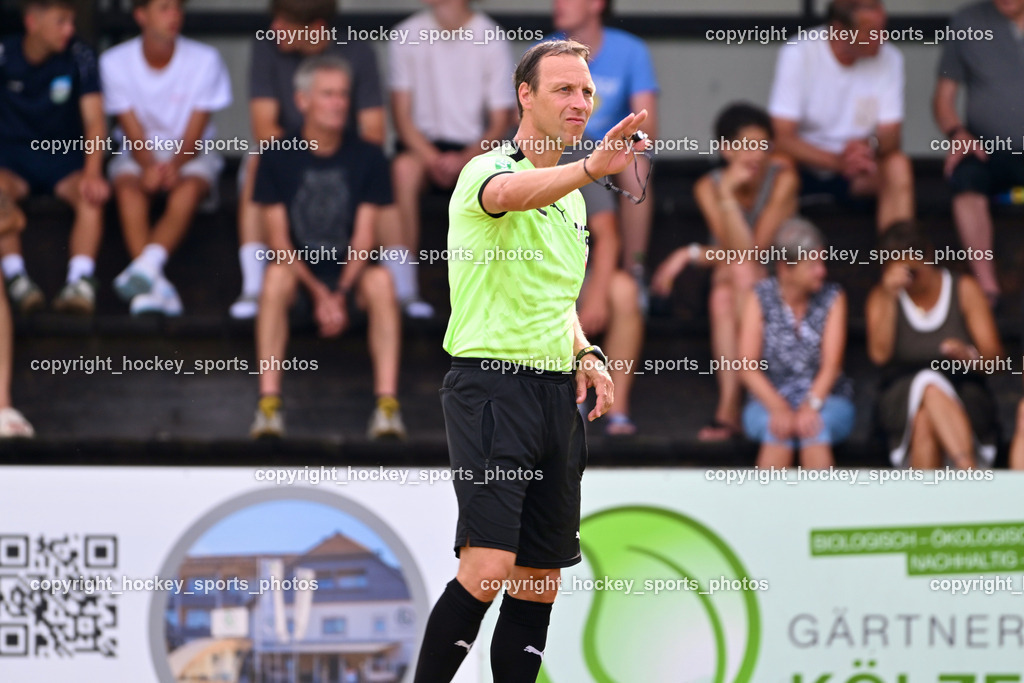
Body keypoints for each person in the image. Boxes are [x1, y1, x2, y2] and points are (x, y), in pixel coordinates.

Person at [413, 40, 649, 683]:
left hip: (554, 396)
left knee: (540, 578)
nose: (580, 102)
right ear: (526, 95)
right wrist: (592, 169)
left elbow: (557, 300)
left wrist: (587, 352)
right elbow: (510, 195)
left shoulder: (573, 196)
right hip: (491, 387)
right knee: (488, 567)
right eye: (564, 90)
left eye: (587, 92)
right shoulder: (487, 169)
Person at [249, 56, 405, 441]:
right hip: (300, 279)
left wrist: (339, 293)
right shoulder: (275, 156)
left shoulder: (369, 155)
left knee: (382, 282)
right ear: (302, 101)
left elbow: (366, 239)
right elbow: (279, 242)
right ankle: (269, 406)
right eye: (328, 94)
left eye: (343, 95)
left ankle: (387, 408)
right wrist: (319, 294)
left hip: (351, 276)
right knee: (274, 278)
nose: (339, 103)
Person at [231, 0, 386, 319]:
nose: (275, 29)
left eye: (285, 23)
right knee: (258, 161)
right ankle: (252, 286)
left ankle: (404, 288)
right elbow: (264, 130)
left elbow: (374, 132)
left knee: (389, 168)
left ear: (316, 29)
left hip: (348, 159)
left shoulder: (357, 50)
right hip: (286, 158)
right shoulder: (267, 45)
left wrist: (336, 156)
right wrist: (306, 158)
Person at [652, 103, 798, 441]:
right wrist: (726, 193)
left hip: (780, 278)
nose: (757, 154)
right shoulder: (708, 186)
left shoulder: (783, 179)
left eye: (764, 145)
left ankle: (732, 407)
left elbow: (754, 252)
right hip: (734, 279)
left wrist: (689, 252)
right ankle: (734, 405)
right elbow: (735, 253)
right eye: (747, 144)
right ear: (725, 148)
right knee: (722, 292)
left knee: (738, 275)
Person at [384, 0, 516, 318]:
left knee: (503, 180)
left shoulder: (492, 37)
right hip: (419, 149)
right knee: (401, 171)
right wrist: (432, 158)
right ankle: (405, 291)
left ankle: (496, 292)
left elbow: (501, 121)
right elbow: (401, 117)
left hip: (477, 148)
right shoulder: (405, 34)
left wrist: (464, 159)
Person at [100, 0, 232, 315]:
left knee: (187, 191)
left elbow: (196, 130)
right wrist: (148, 167)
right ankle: (156, 285)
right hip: (138, 153)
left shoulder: (205, 59)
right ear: (140, 15)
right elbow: (128, 128)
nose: (174, 16)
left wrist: (174, 166)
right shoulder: (114, 61)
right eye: (164, 8)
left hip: (191, 153)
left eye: (177, 8)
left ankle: (146, 270)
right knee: (128, 189)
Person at [0, 0, 109, 315]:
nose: (70, 30)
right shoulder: (5, 54)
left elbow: (94, 120)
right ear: (33, 21)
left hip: (63, 160)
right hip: (12, 161)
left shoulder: (80, 54)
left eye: (72, 21)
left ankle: (80, 281)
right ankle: (16, 277)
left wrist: (92, 172)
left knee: (92, 195)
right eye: (61, 21)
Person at [865, 221, 1002, 469]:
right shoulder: (881, 296)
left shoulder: (964, 289)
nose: (910, 279)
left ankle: (926, 502)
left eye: (914, 270)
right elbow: (879, 355)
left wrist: (969, 356)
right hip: (901, 397)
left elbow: (995, 361)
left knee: (925, 416)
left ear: (928, 257)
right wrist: (889, 296)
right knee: (926, 387)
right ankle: (967, 471)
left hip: (964, 392)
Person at [768, 0, 913, 232]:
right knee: (778, 163)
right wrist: (836, 161)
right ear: (839, 30)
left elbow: (892, 136)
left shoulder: (890, 57)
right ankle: (771, 262)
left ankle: (899, 261)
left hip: (858, 169)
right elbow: (781, 136)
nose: (881, 39)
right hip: (804, 166)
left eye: (883, 29)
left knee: (897, 165)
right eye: (871, 32)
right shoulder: (798, 53)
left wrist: (869, 145)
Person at [551, 0, 659, 295]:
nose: (556, 3)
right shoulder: (543, 52)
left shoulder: (631, 50)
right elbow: (521, 121)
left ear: (597, 3)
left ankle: (634, 272)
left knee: (638, 161)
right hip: (559, 147)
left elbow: (646, 127)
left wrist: (614, 144)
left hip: (609, 148)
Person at [737, 218, 854, 468]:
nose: (822, 270)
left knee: (814, 429)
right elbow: (747, 368)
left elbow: (832, 366)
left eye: (822, 262)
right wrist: (779, 408)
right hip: (768, 399)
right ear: (785, 268)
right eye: (812, 264)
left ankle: (821, 507)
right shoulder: (759, 297)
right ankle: (768, 508)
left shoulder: (833, 297)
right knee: (777, 430)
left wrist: (810, 406)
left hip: (827, 398)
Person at [933, 0, 1024, 302]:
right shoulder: (967, 22)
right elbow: (943, 98)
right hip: (989, 149)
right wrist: (957, 133)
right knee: (965, 175)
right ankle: (988, 290)